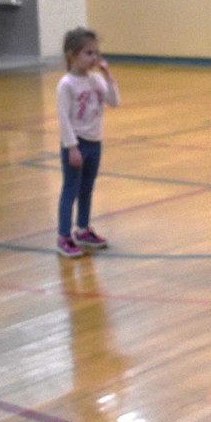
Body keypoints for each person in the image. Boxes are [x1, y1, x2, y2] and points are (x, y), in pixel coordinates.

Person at [56, 27, 119, 258]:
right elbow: (64, 119)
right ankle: (64, 235)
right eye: (89, 53)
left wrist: (108, 77)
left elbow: (114, 101)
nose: (95, 58)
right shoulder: (66, 84)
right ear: (72, 55)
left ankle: (83, 229)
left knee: (87, 188)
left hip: (95, 142)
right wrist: (71, 147)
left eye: (96, 53)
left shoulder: (95, 80)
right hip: (76, 144)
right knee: (70, 190)